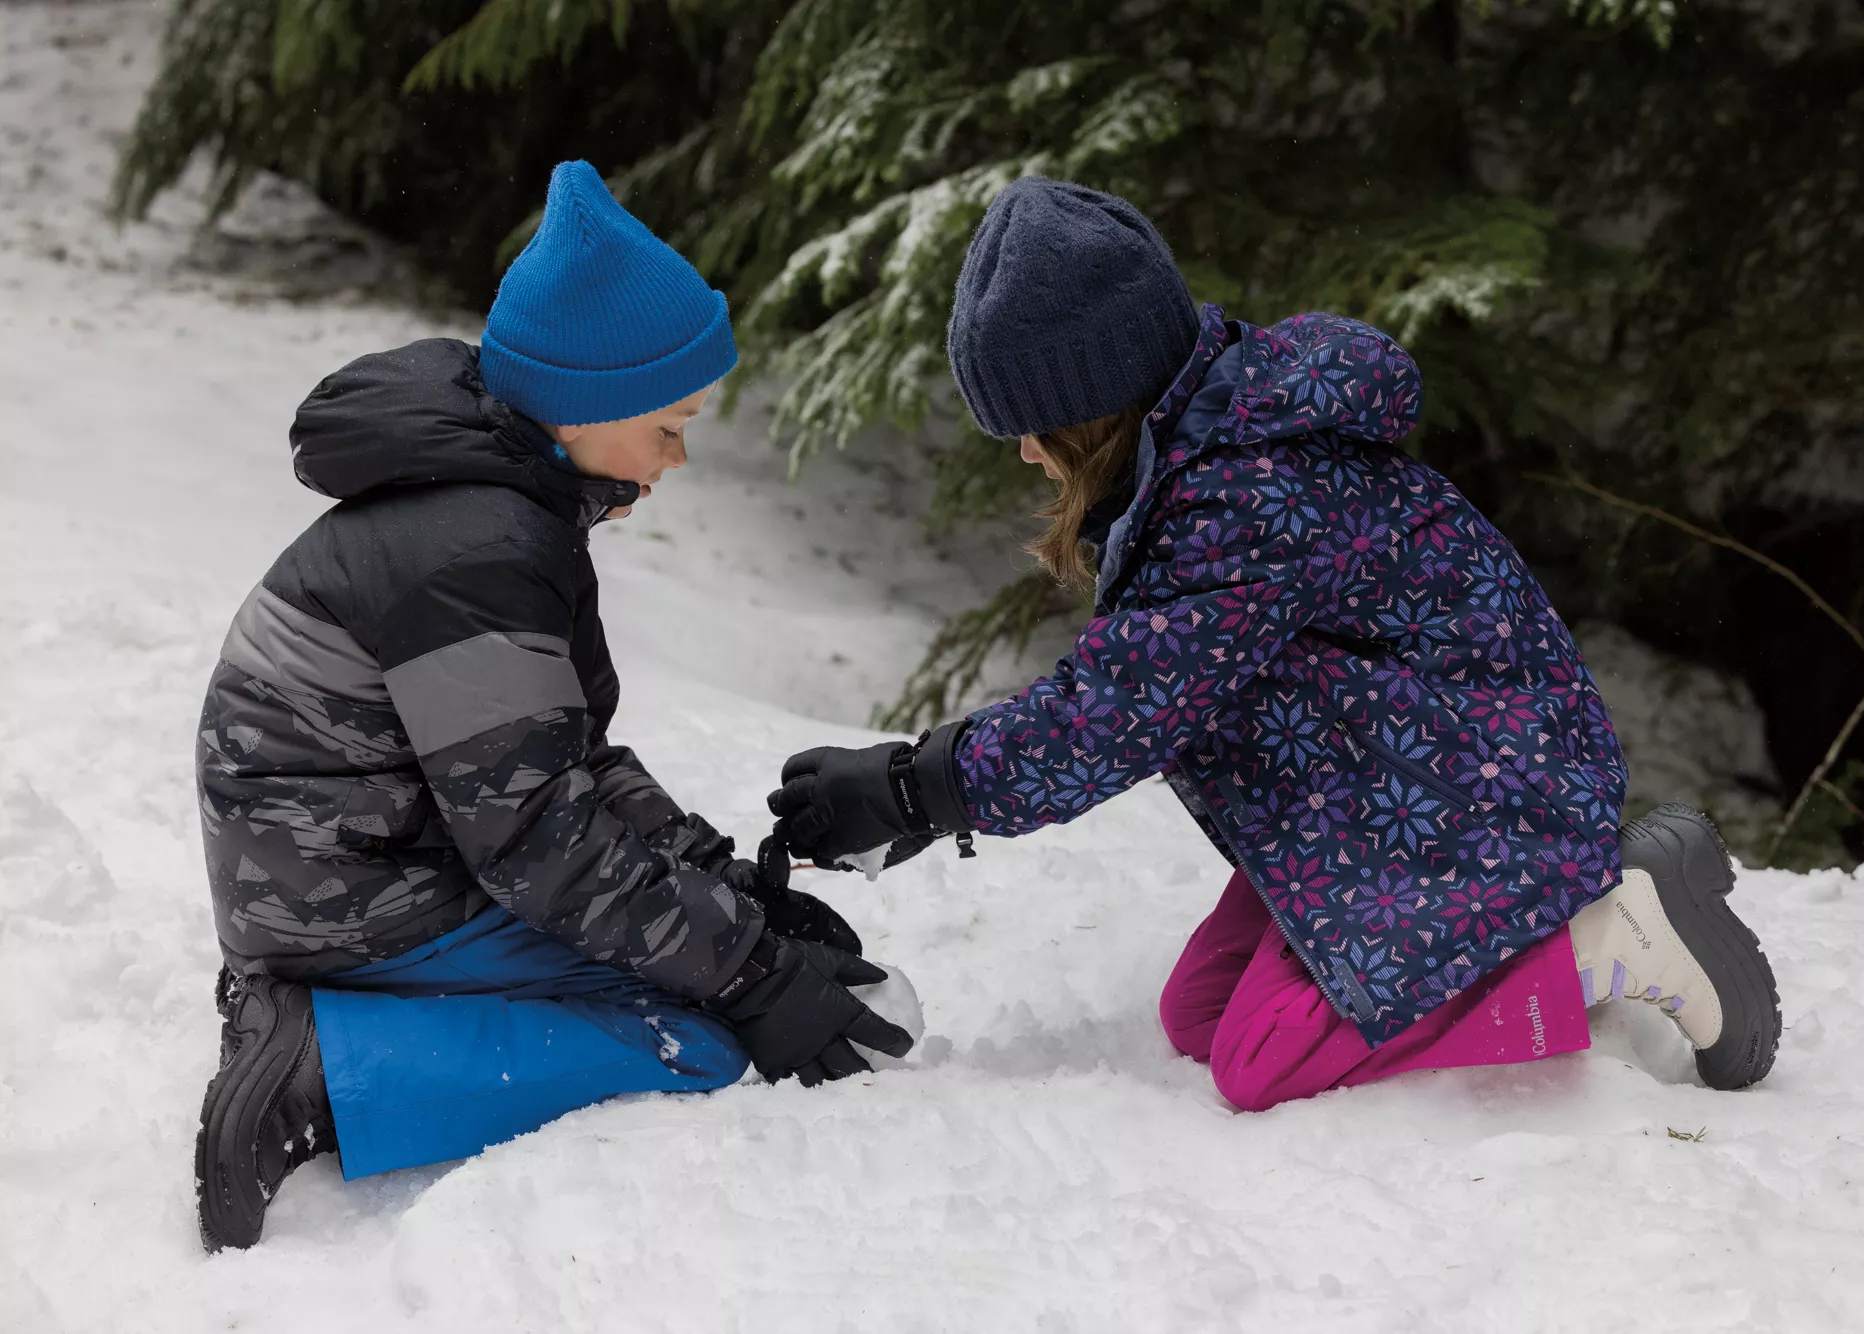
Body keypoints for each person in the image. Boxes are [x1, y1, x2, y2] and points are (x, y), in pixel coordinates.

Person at [767, 177, 1782, 1112]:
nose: (1027, 453)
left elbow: (1109, 718)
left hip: (1481, 794)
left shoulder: (1244, 493)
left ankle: (1611, 940)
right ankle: (1508, 951)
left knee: (1261, 1059)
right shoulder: (1212, 449)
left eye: (1033, 426)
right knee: (1198, 1017)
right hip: (1397, 784)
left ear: (1094, 404)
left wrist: (914, 785)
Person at [193, 162, 909, 1253]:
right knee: (700, 1037)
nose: (676, 459)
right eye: (667, 426)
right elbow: (537, 842)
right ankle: (322, 1067)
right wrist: (752, 975)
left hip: (360, 857)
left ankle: (329, 1017)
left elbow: (566, 761)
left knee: (696, 967)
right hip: (346, 890)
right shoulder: (476, 547)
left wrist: (718, 885)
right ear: (583, 407)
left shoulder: (500, 504)